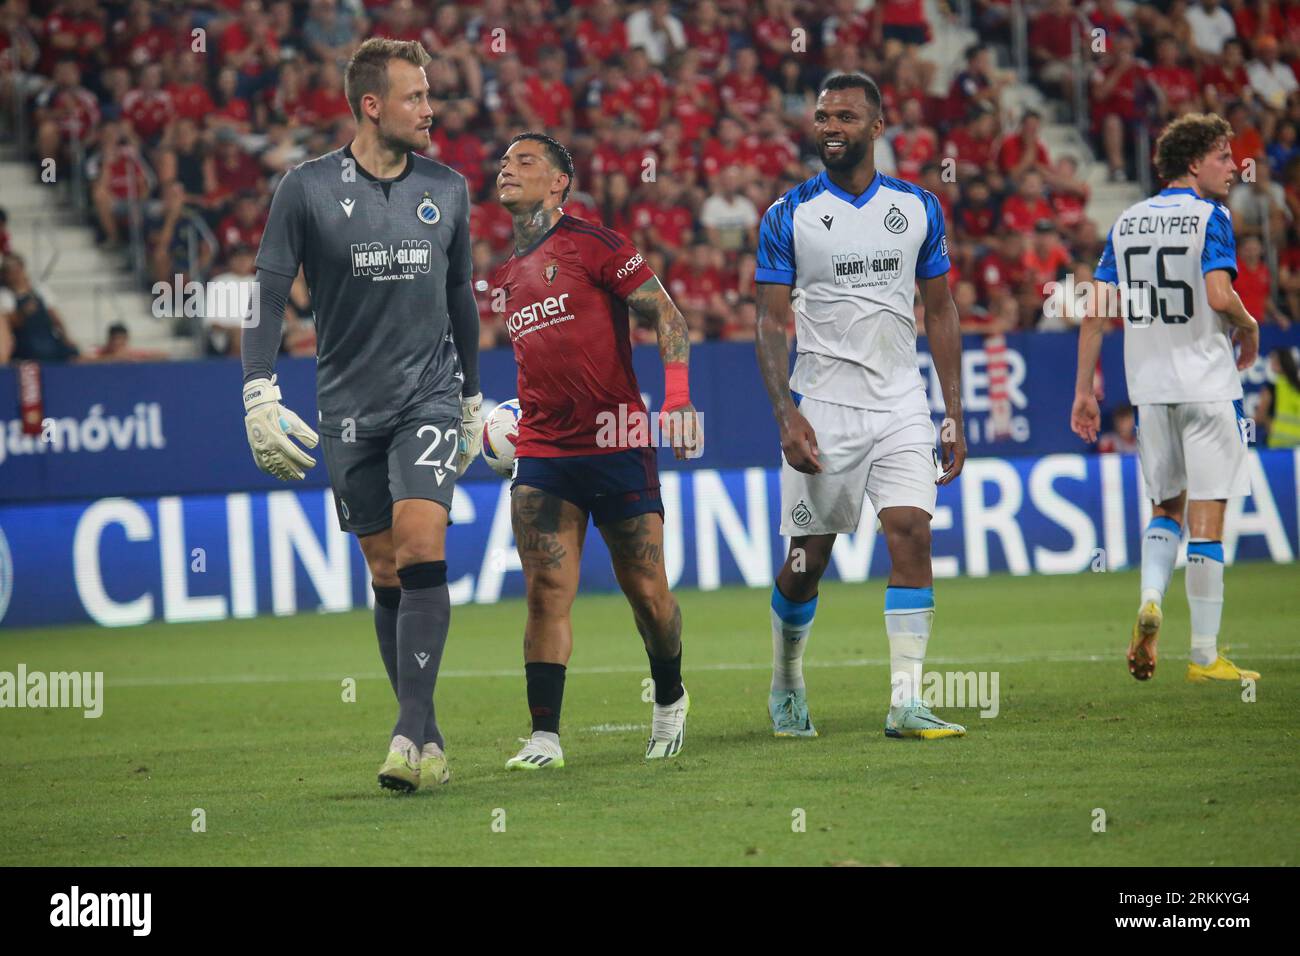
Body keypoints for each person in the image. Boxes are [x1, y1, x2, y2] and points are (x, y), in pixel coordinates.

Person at [239, 38, 482, 793]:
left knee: (419, 541)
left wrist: (470, 397)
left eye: (429, 95)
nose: (430, 109)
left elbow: (460, 302)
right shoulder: (304, 190)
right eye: (415, 97)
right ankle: (428, 729)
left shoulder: (450, 187)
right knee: (385, 569)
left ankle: (406, 733)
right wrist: (257, 388)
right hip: (347, 408)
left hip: (428, 397)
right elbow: (268, 292)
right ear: (371, 105)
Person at [753, 73, 968, 741]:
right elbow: (767, 323)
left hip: (902, 401)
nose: (830, 126)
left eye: (845, 115)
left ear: (878, 126)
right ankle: (786, 679)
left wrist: (952, 408)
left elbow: (940, 309)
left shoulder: (919, 207)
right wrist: (787, 415)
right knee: (805, 560)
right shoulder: (788, 214)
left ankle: (906, 701)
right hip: (824, 406)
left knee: (911, 531)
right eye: (822, 116)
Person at [490, 132, 701, 770]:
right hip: (545, 449)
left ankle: (669, 697)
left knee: (647, 590)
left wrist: (678, 399)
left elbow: (666, 313)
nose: (507, 168)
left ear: (559, 182)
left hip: (617, 439)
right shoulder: (505, 274)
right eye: (504, 161)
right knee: (544, 592)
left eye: (525, 161)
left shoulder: (593, 243)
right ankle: (545, 737)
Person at [1071, 112, 1261, 685]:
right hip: (1207, 386)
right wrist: (1249, 328)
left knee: (1165, 509)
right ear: (1194, 162)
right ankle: (1204, 655)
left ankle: (1151, 598)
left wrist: (1085, 391)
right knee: (1208, 515)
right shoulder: (1212, 216)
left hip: (1150, 393)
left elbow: (1097, 312)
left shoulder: (1126, 221)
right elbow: (1218, 292)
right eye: (1223, 157)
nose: (1233, 167)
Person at [0, 253, 80, 363]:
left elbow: (54, 316)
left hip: (47, 338)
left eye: (16, 271)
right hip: (25, 342)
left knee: (72, 353)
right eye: (10, 272)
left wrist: (66, 336)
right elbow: (10, 324)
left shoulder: (40, 289)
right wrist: (24, 312)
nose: (15, 276)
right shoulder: (5, 295)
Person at [1255, 347, 1300, 448]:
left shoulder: (1271, 388)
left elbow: (1259, 417)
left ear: (1279, 364)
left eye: (1272, 361)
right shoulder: (1297, 386)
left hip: (1278, 445)